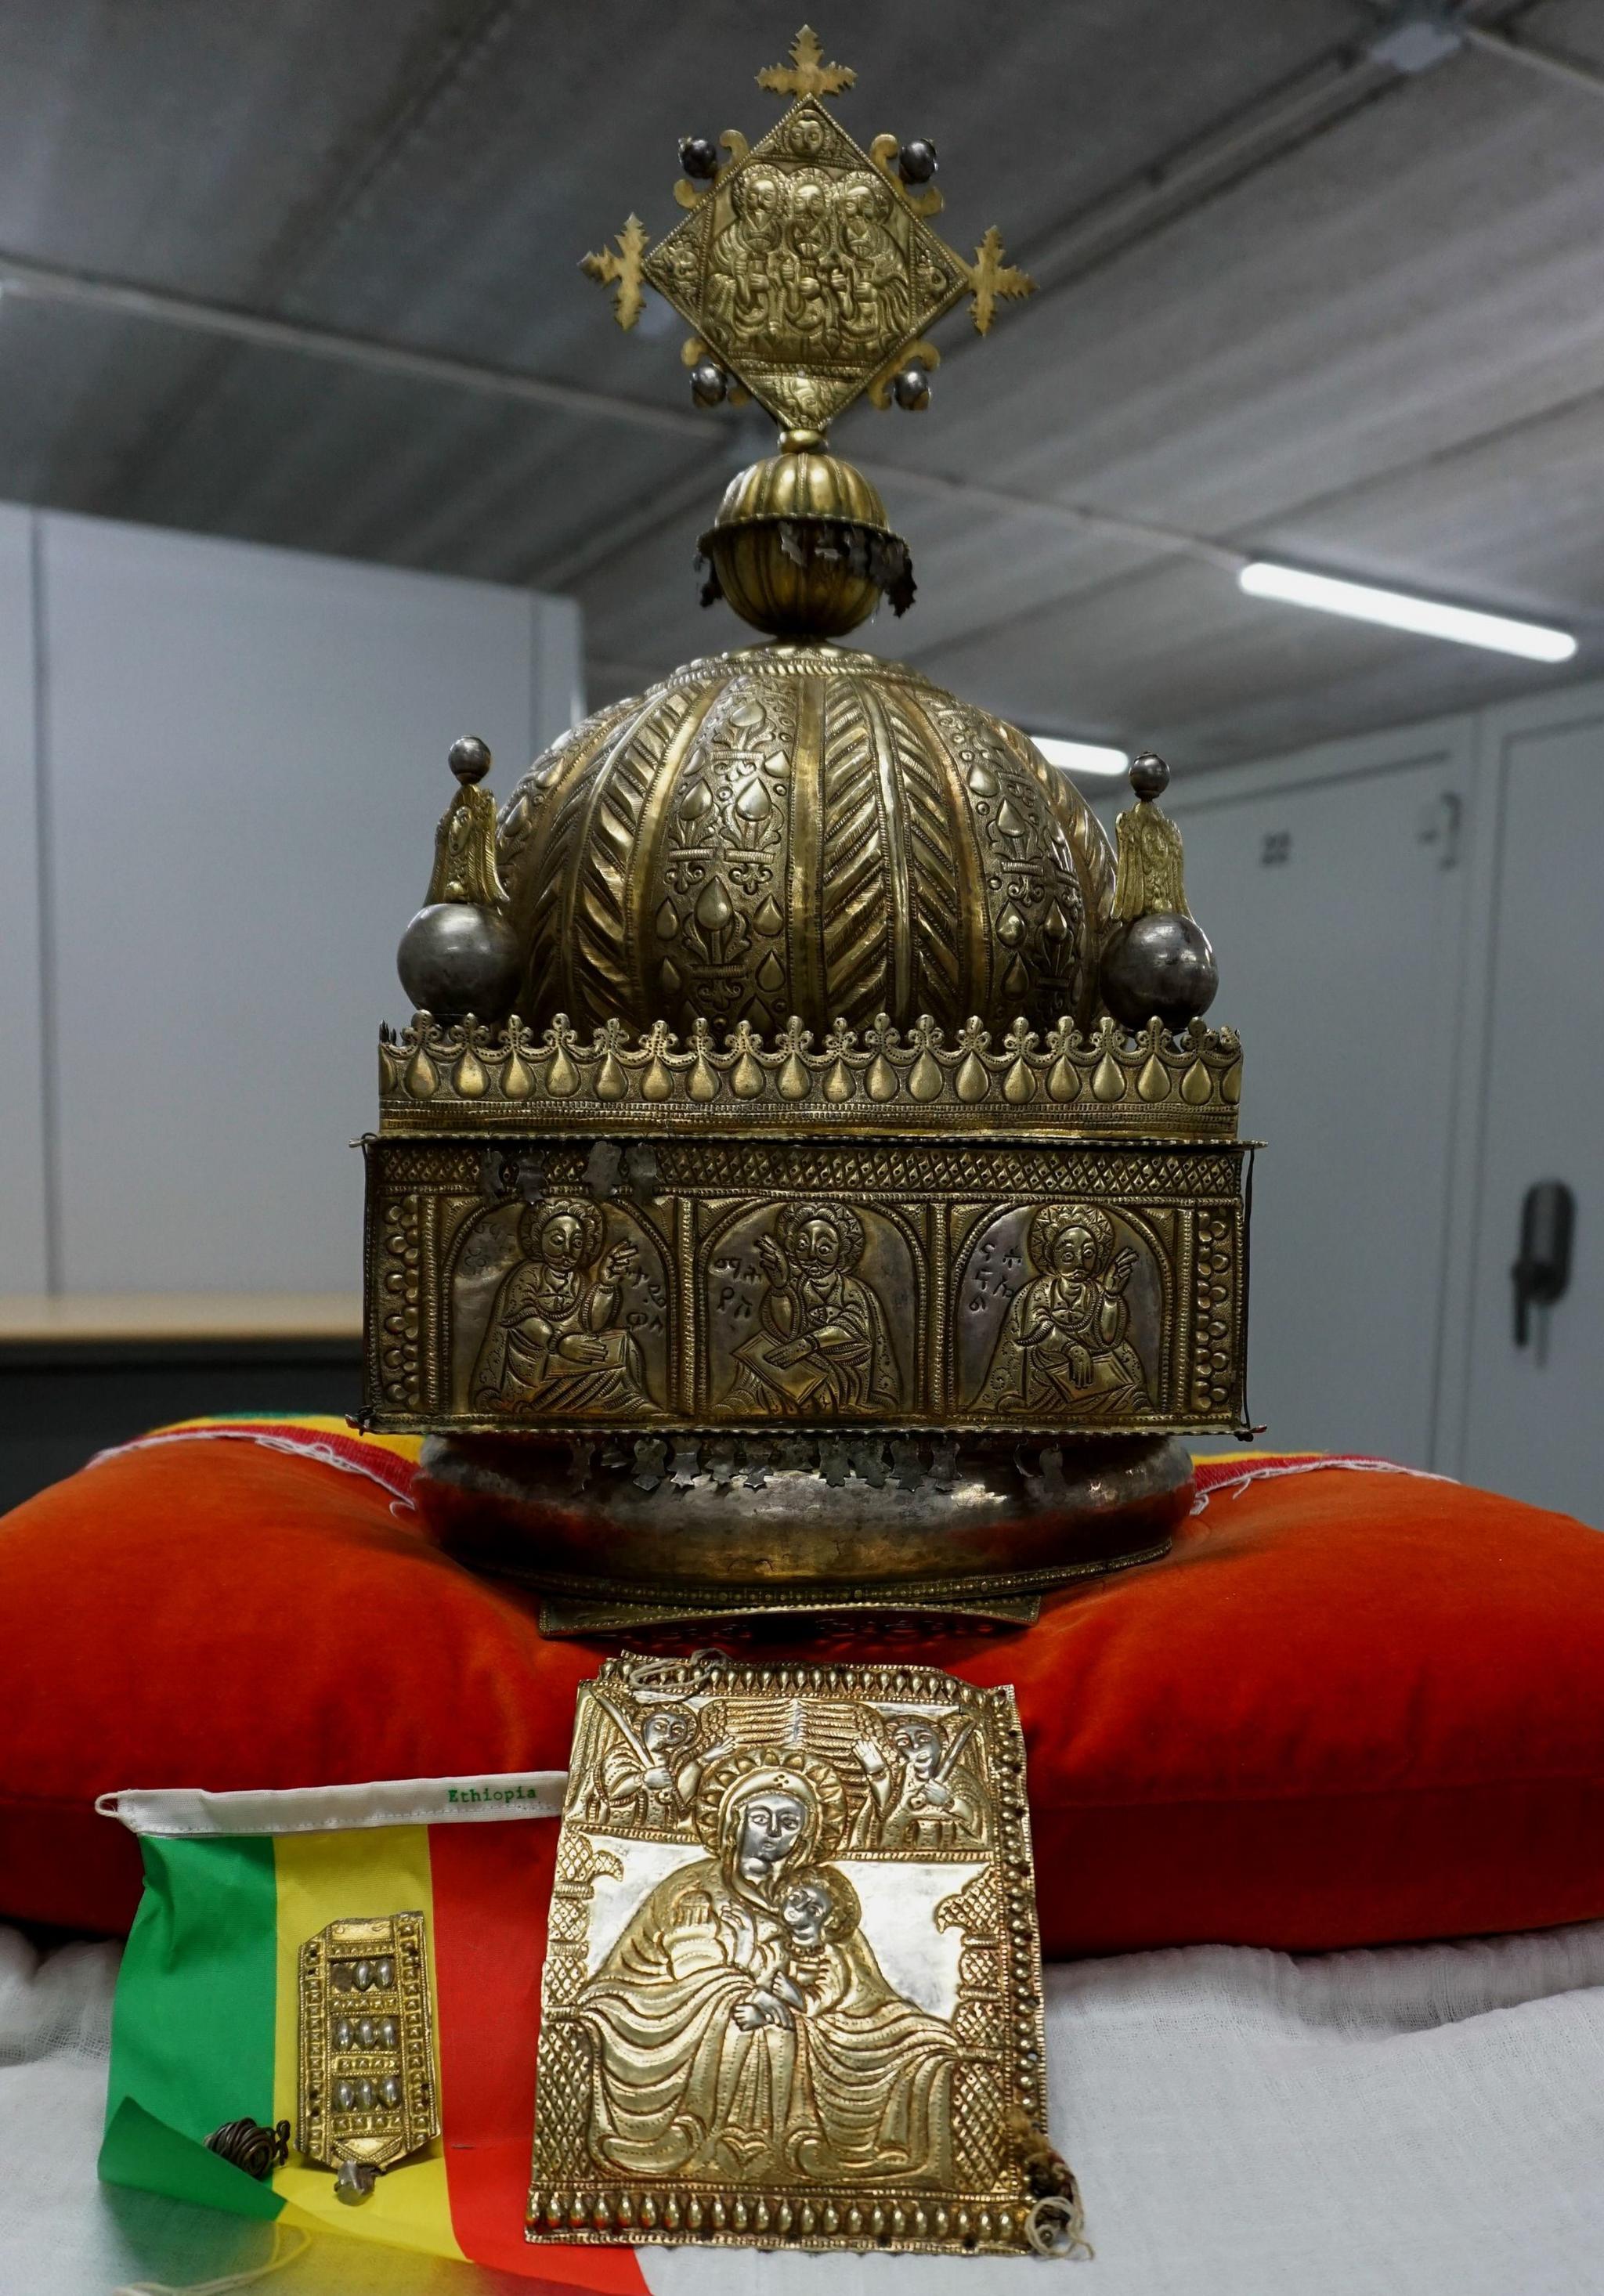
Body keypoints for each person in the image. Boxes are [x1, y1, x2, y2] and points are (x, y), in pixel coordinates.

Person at [471, 1198, 648, 1413]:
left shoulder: (580, 1280)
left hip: (568, 1352)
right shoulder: (528, 1274)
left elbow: (592, 1324)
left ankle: (629, 1403)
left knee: (623, 1345)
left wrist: (605, 1285)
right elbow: (527, 1320)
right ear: (538, 1239)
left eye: (576, 1243)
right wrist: (559, 1343)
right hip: (533, 1362)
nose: (567, 1251)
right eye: (557, 1240)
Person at [978, 1204, 1151, 1419]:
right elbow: (1037, 1330)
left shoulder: (1097, 1291)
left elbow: (1108, 1340)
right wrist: (1072, 1349)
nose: (1080, 1262)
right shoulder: (1041, 1290)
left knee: (1135, 1399)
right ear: (1051, 1255)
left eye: (1088, 1253)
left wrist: (1111, 1295)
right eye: (1068, 1254)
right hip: (1048, 1381)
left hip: (1094, 1380)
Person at [726, 1202, 898, 1416]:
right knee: (753, 1368)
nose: (811, 1256)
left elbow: (852, 1326)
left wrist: (807, 1344)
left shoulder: (852, 1289)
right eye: (802, 1246)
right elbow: (784, 1332)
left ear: (842, 1251)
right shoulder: (799, 1286)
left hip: (843, 1372)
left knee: (783, 1385)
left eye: (824, 1249)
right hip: (803, 1362)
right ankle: (734, 1409)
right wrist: (780, 1288)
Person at [851, 1716, 990, 1852]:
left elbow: (979, 1822)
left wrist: (948, 1803)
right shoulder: (903, 1776)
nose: (916, 1746)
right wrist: (877, 1772)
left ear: (943, 1745)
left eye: (924, 1738)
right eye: (904, 1742)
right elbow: (882, 1813)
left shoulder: (957, 1778)